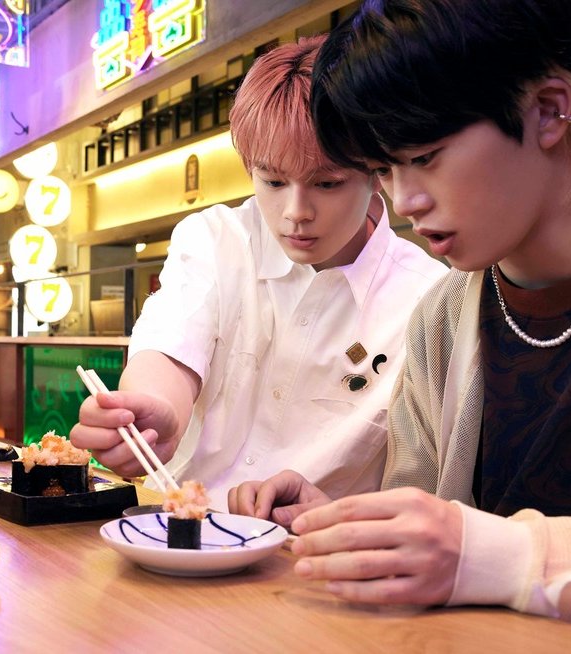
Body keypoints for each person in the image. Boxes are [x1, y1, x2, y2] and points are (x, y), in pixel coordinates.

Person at [227, 0, 571, 644]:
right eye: (384, 169)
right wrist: (351, 527)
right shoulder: (442, 319)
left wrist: (495, 555)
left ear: (548, 111)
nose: (405, 201)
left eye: (425, 157)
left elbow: (475, 551)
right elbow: (441, 527)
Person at [69, 36, 447, 509]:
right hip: (178, 525)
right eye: (272, 180)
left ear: (377, 173)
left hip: (305, 548)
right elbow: (171, 348)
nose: (295, 212)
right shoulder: (217, 239)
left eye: (327, 183)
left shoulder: (426, 300)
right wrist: (155, 416)